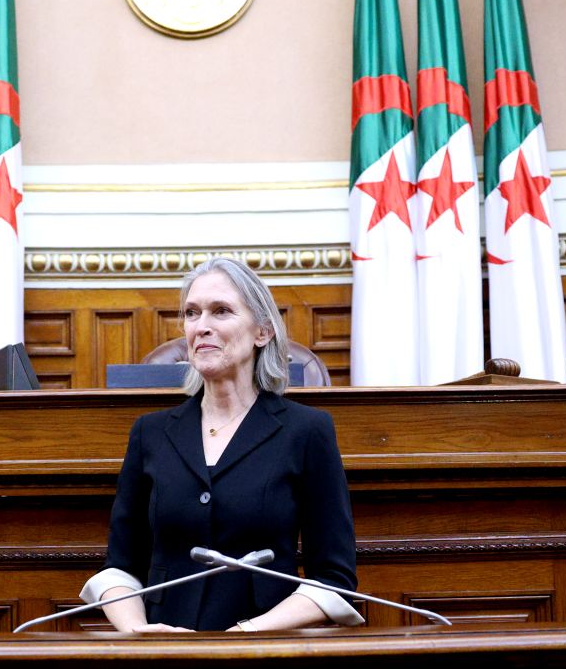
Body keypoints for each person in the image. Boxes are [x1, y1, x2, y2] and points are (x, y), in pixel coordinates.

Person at [80, 256, 362, 633]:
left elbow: (333, 578)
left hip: (265, 649)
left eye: (221, 311)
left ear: (262, 331)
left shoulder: (307, 430)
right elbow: (120, 567)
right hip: (165, 650)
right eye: (192, 313)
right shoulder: (150, 433)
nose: (202, 326)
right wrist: (138, 632)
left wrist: (247, 633)